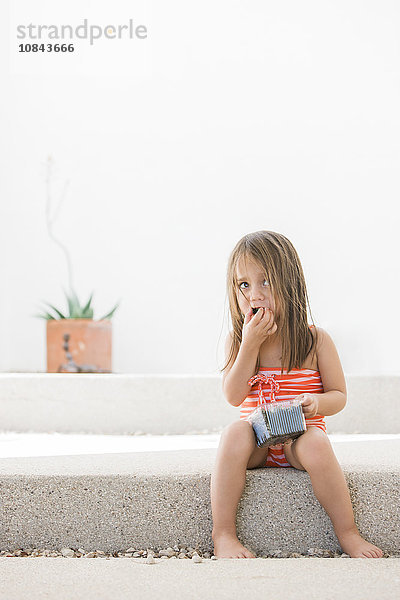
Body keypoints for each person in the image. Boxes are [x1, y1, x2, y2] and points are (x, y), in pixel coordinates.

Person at [210, 230, 383, 559]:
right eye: (243, 285)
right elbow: (233, 396)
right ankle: (224, 534)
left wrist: (315, 402)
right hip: (258, 443)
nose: (254, 295)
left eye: (265, 282)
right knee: (234, 432)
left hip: (298, 441)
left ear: (290, 284)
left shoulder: (315, 341)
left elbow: (339, 395)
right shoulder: (238, 341)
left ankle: (348, 533)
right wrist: (250, 345)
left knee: (317, 442)